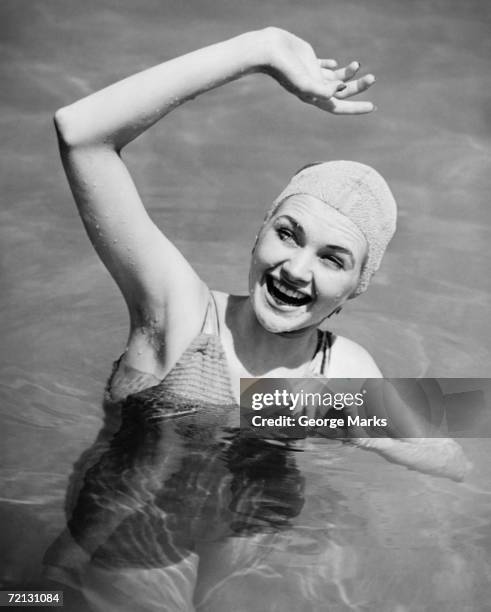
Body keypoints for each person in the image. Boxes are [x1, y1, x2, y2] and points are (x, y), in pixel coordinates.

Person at [47, 26, 471, 612]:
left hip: (252, 520)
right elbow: (80, 133)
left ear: (355, 288)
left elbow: (451, 458)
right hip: (130, 532)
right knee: (30, 598)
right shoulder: (179, 312)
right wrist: (260, 50)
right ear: (258, 233)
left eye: (332, 259)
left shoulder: (341, 366)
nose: (297, 269)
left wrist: (345, 417)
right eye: (287, 234)